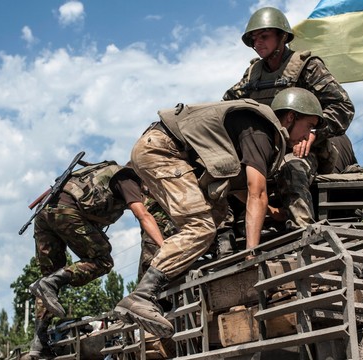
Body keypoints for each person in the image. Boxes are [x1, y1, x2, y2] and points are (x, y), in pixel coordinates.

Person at [114, 87, 322, 338]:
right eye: (309, 125)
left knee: (217, 213)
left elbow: (240, 191)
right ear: (290, 117)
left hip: (159, 149)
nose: (309, 134)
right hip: (162, 150)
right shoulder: (261, 130)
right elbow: (256, 190)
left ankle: (164, 284)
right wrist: (251, 256)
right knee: (200, 227)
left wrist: (270, 211)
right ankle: (144, 295)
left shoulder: (257, 130)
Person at [223, 6, 355, 229]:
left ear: (282, 36)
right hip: (266, 150)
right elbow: (227, 105)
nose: (258, 43)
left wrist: (314, 134)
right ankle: (227, 237)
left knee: (292, 168)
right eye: (254, 39)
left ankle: (303, 232)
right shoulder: (253, 75)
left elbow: (343, 106)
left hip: (305, 147)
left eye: (264, 36)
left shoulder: (307, 67)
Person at [27, 161, 164, 359]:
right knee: (102, 260)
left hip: (44, 212)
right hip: (65, 212)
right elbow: (142, 215)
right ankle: (51, 283)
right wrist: (165, 247)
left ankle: (38, 345)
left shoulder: (106, 174)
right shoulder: (128, 180)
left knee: (48, 279)